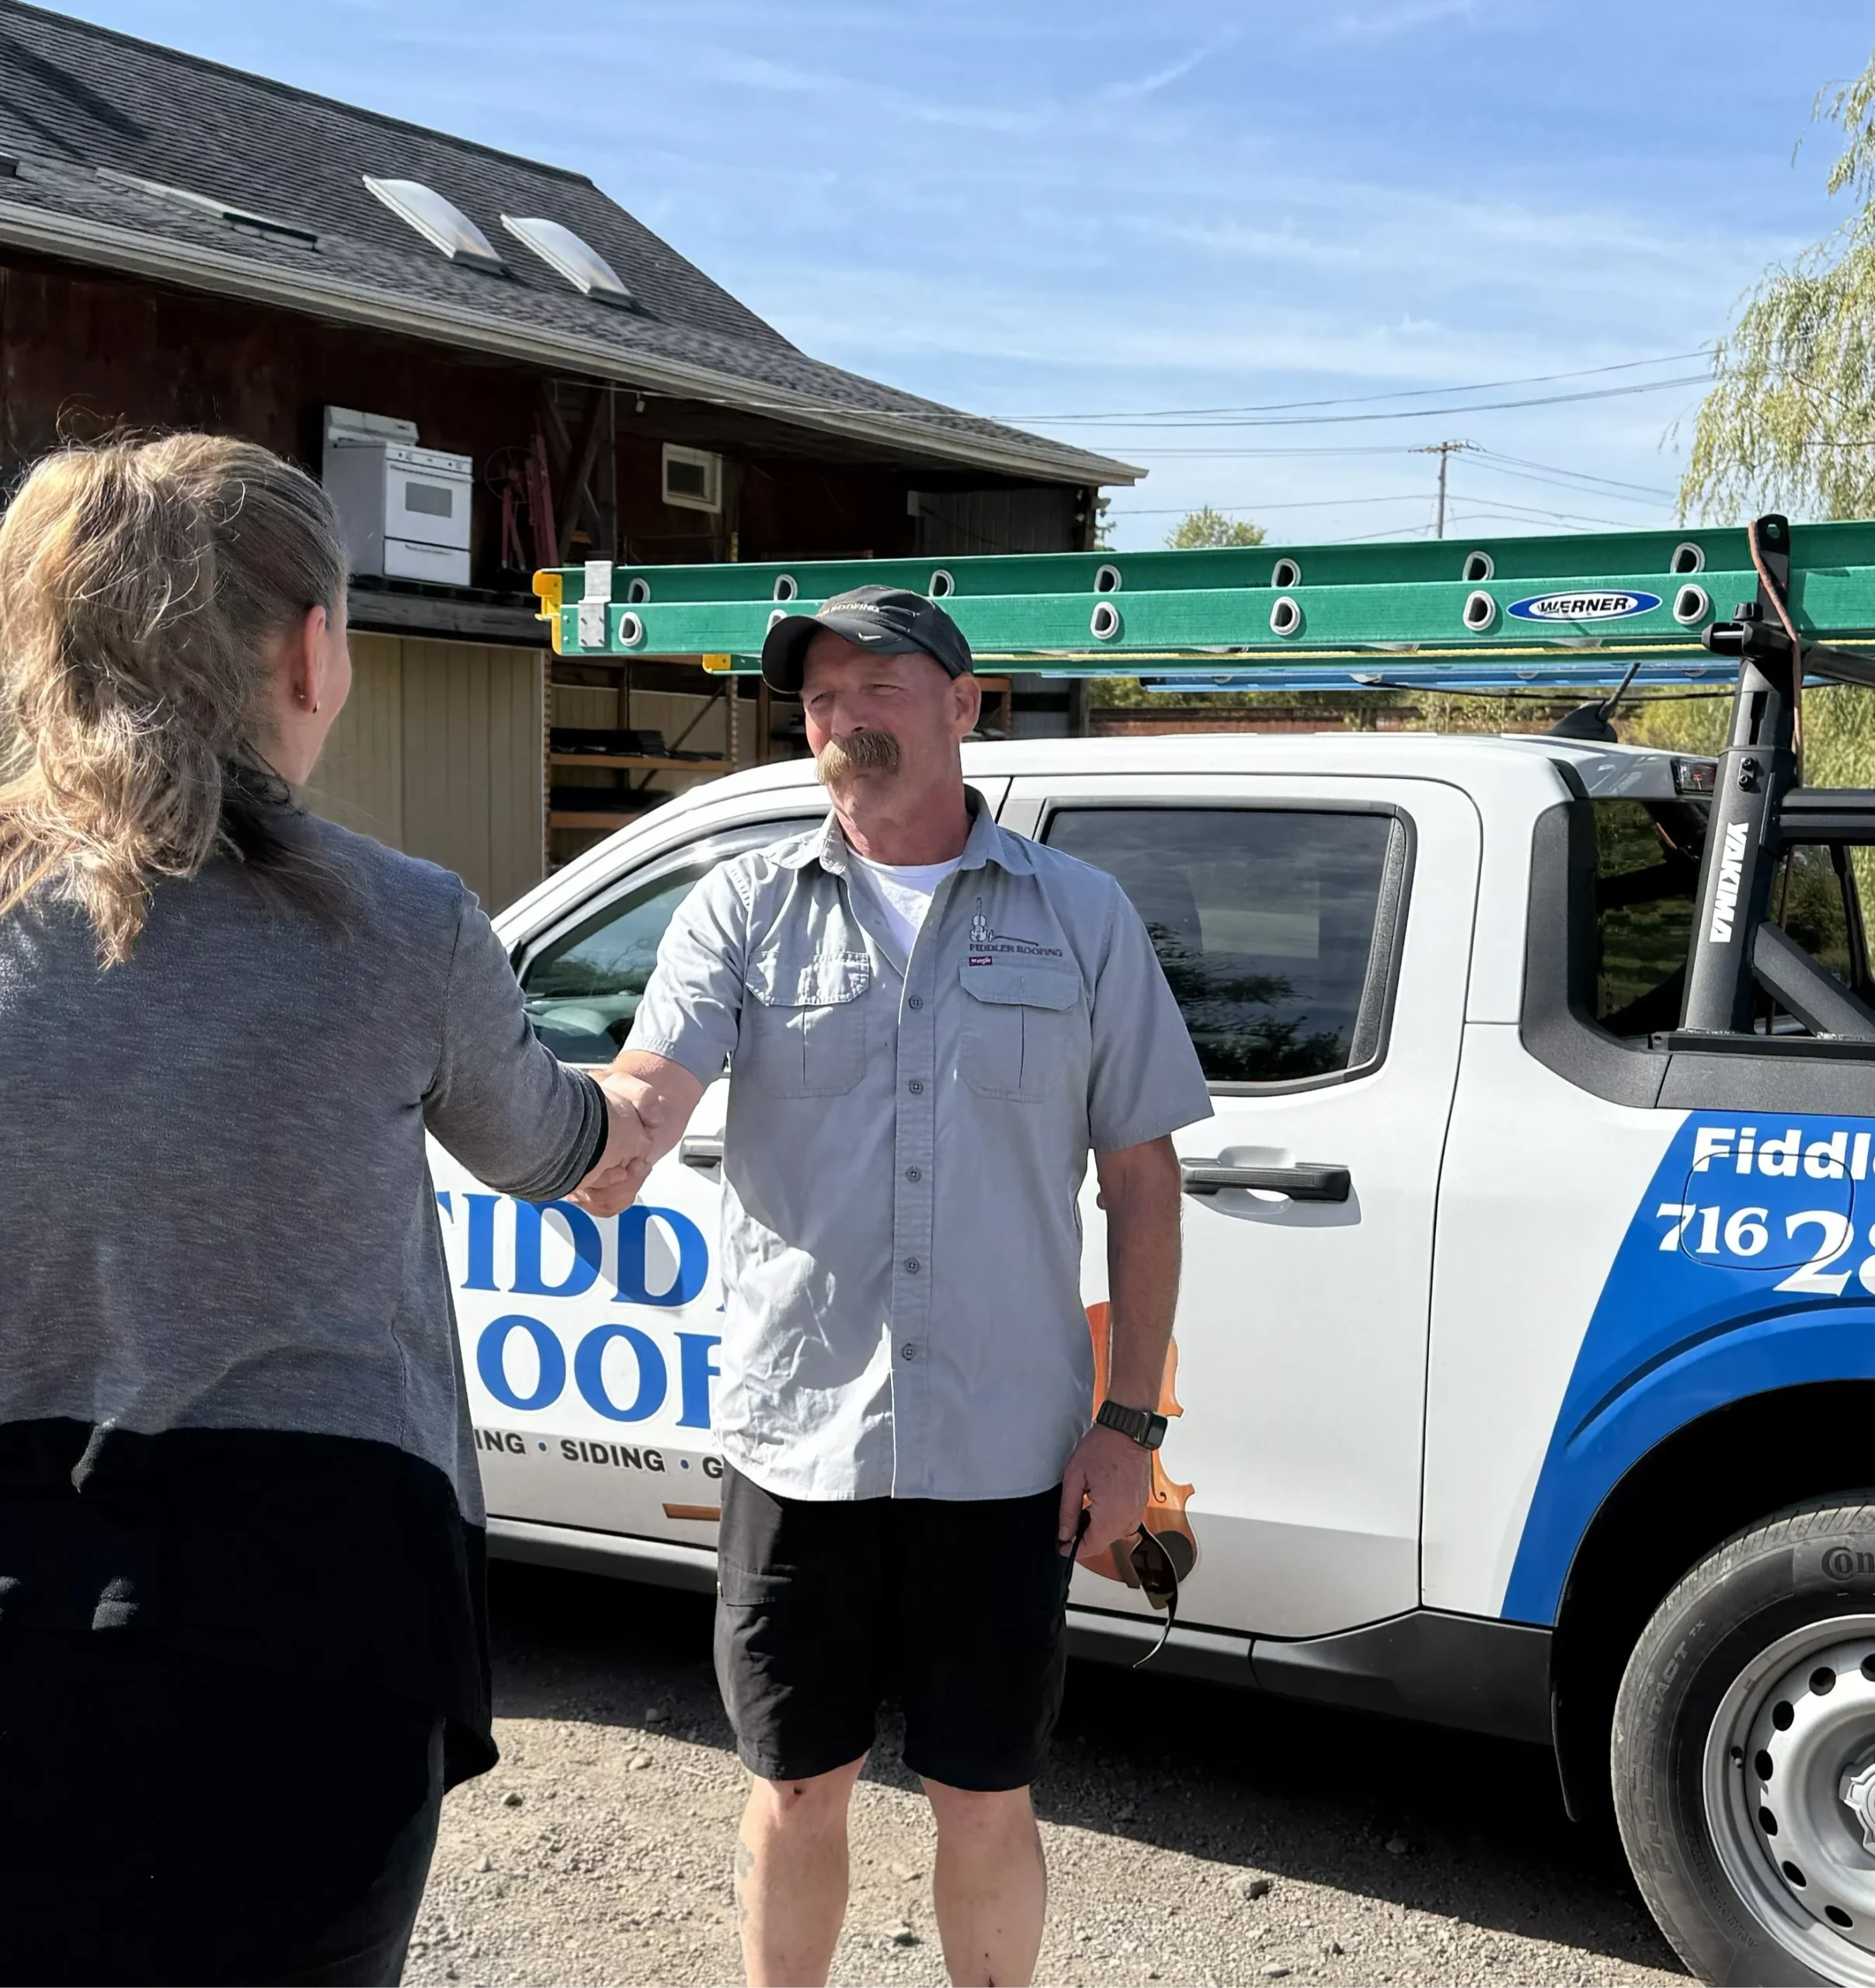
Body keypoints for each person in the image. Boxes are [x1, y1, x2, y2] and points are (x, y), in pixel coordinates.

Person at [0, 435, 650, 1986]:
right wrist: (658, 1078)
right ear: (308, 647)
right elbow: (566, 1149)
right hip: (316, 1629)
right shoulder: (406, 924)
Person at [607, 584, 1213, 1988]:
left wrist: (1127, 1430)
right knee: (796, 1786)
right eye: (819, 693)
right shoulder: (742, 907)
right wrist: (583, 1132)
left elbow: (1141, 1183)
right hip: (796, 1447)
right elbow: (646, 1086)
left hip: (1005, 1455)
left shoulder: (1080, 919)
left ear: (964, 706)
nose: (840, 714)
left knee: (983, 1795)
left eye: (878, 684)